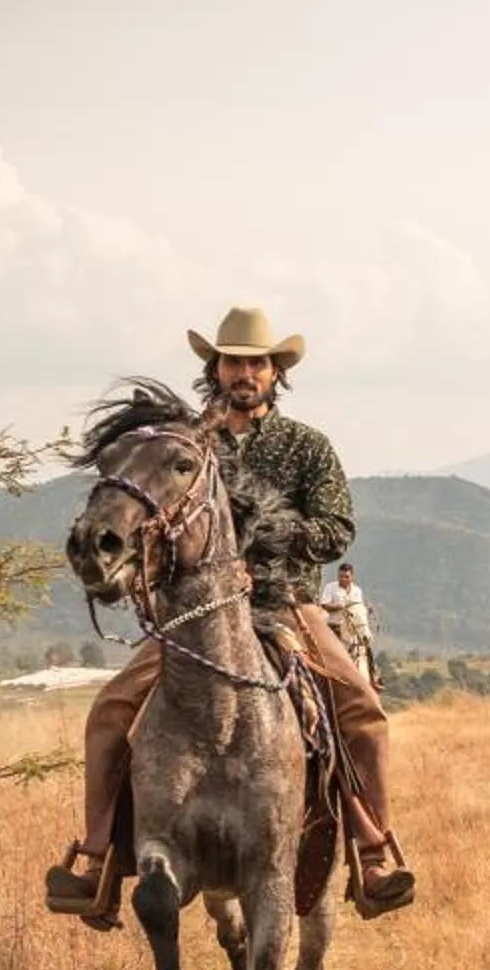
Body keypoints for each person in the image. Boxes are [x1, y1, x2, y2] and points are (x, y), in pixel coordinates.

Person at [44, 306, 415, 924]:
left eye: (257, 363)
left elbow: (336, 530)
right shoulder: (182, 446)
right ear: (215, 369)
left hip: (284, 604)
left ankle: (373, 852)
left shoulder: (306, 446)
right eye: (233, 362)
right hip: (196, 615)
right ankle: (97, 860)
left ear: (275, 372)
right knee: (110, 711)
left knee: (361, 711)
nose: (245, 373)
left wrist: (267, 533)